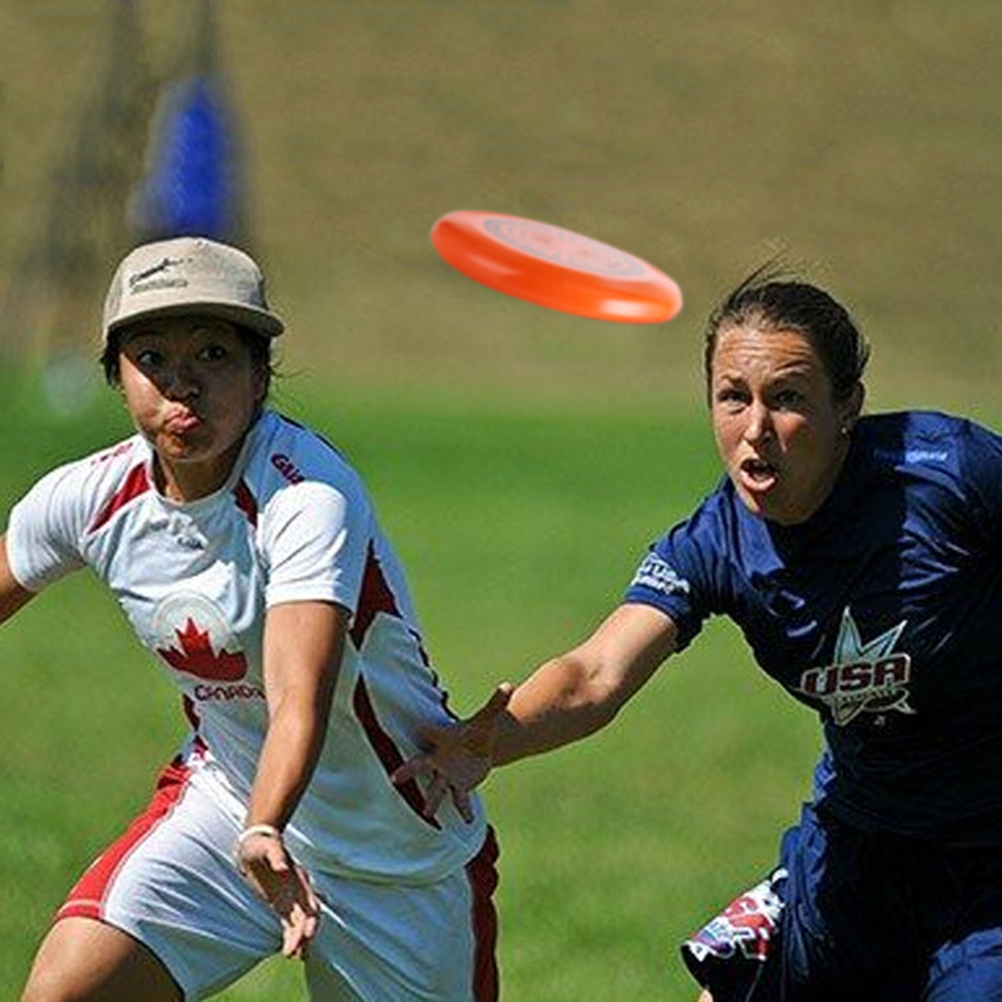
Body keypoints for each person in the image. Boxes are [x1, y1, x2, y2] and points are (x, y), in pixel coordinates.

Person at [394, 268, 1002, 1001]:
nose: (756, 429)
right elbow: (596, 673)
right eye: (733, 397)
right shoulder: (715, 543)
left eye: (788, 398)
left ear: (848, 406)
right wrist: (490, 740)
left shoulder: (951, 474)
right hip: (856, 848)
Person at [4, 236, 500, 1002]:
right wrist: (253, 823)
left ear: (260, 372)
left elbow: (299, 694)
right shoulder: (90, 498)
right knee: (66, 991)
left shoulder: (307, 495)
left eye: (213, 354)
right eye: (152, 358)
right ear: (116, 374)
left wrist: (267, 827)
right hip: (226, 807)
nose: (183, 385)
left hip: (395, 849)